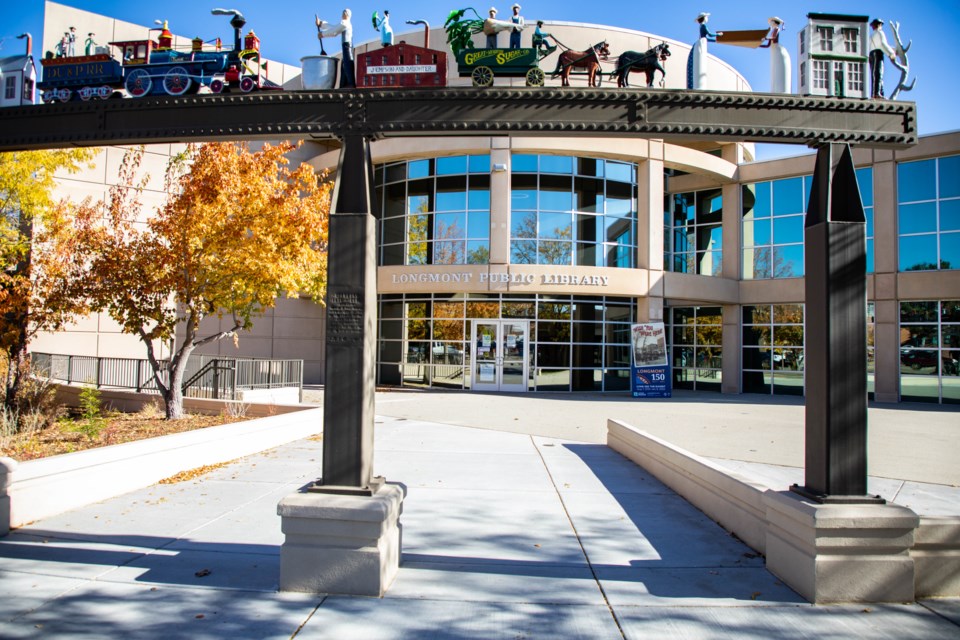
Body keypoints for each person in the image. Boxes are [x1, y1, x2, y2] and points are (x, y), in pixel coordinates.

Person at [318, 9, 356, 88]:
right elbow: (334, 27)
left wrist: (322, 34)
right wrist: (321, 24)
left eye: (343, 13)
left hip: (347, 46)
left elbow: (334, 31)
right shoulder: (346, 23)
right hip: (346, 46)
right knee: (345, 63)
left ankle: (349, 83)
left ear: (346, 14)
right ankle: (345, 83)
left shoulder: (345, 23)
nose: (342, 14)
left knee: (347, 63)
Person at [687, 12, 722, 90]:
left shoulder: (701, 27)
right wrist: (718, 35)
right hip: (703, 43)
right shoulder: (703, 26)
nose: (707, 18)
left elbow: (706, 38)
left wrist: (716, 40)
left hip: (703, 42)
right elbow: (709, 35)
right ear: (704, 18)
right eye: (706, 17)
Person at [760, 16, 790, 93]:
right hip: (773, 50)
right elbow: (768, 45)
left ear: (774, 22)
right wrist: (758, 45)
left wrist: (765, 38)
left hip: (777, 49)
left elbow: (773, 38)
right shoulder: (773, 31)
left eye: (771, 22)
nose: (770, 23)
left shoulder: (777, 29)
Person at [869, 18, 896, 99]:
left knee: (874, 74)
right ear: (880, 25)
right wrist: (891, 54)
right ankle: (878, 93)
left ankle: (876, 93)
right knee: (879, 73)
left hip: (871, 55)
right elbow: (883, 44)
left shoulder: (871, 36)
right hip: (878, 54)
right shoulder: (880, 33)